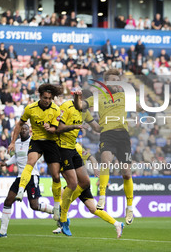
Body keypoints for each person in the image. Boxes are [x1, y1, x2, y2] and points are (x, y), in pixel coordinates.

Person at [74, 69, 134, 226]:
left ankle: (129, 207)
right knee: (106, 161)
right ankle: (101, 197)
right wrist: (77, 98)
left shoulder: (124, 96)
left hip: (123, 136)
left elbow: (139, 106)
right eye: (112, 80)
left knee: (126, 174)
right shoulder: (98, 97)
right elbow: (82, 106)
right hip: (107, 135)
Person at [8, 84, 62, 221]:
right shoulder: (30, 108)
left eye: (50, 98)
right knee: (30, 162)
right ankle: (20, 191)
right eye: (45, 98)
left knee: (55, 176)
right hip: (37, 140)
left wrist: (50, 128)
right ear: (40, 97)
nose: (47, 100)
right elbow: (19, 124)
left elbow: (56, 129)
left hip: (50, 142)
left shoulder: (56, 109)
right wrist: (13, 142)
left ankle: (56, 207)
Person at [0, 124, 54, 238]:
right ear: (19, 131)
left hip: (32, 176)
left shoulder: (34, 142)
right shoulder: (17, 143)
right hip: (20, 177)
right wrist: (5, 163)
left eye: (25, 129)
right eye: (22, 129)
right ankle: (2, 232)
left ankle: (57, 211)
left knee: (34, 206)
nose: (24, 131)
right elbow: (16, 157)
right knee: (8, 201)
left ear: (29, 131)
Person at [54, 94, 102, 236]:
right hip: (60, 148)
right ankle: (63, 218)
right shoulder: (66, 106)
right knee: (73, 183)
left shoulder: (85, 112)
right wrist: (74, 126)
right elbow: (58, 128)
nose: (89, 108)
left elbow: (97, 128)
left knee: (85, 181)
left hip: (72, 148)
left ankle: (60, 210)